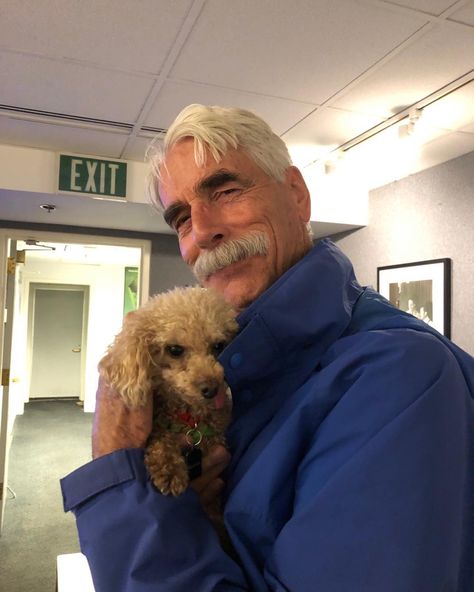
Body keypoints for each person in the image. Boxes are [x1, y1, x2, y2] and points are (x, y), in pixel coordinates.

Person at [60, 105, 474, 591]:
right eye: (180, 218)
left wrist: (116, 468)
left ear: (297, 195)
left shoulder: (399, 375)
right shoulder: (241, 369)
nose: (201, 231)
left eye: (227, 190)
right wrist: (172, 511)